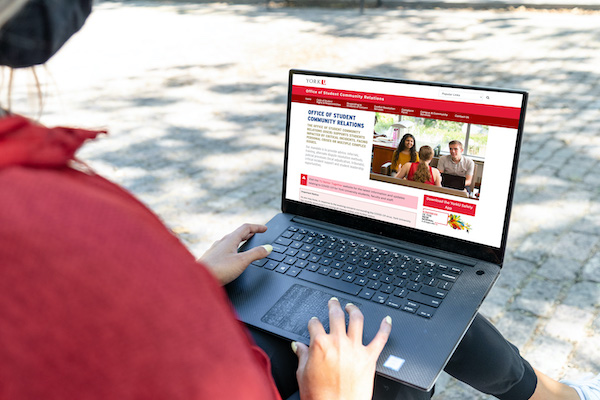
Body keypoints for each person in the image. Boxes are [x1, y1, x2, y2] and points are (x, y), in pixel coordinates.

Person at [1, 2, 599, 400]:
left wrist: (195, 281)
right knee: (404, 327)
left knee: (411, 289)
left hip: (217, 335)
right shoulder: (40, 218)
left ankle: (539, 392)